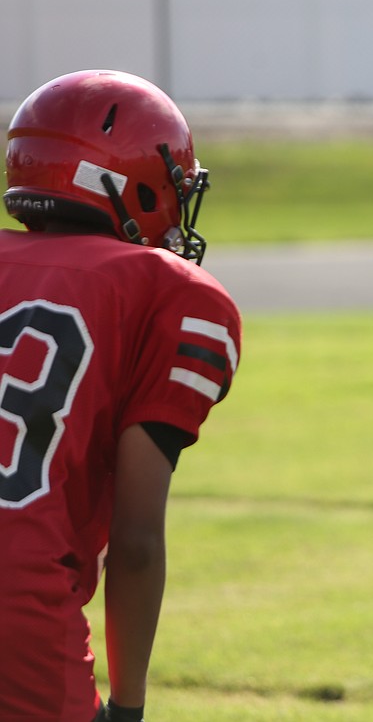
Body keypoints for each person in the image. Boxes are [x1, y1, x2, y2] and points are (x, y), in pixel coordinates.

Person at [0, 70, 241, 722]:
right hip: (16, 604)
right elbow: (134, 540)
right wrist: (128, 707)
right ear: (125, 184)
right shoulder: (165, 291)